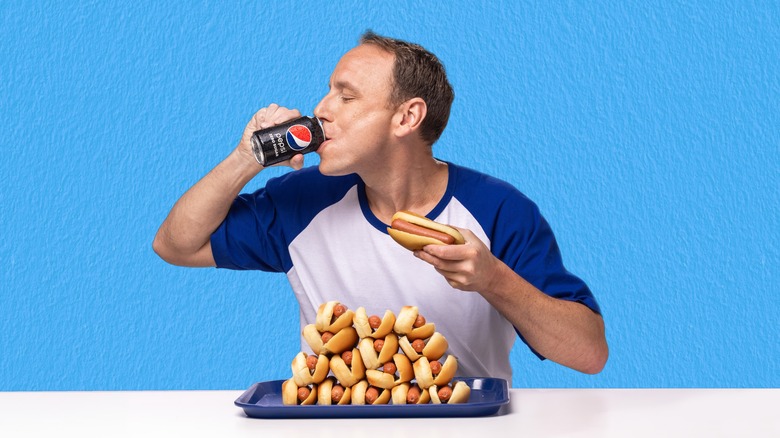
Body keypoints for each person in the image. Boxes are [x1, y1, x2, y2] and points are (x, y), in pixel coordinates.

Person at [153, 31, 608, 383]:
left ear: (407, 117)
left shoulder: (498, 208)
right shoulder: (301, 200)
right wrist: (247, 157)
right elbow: (175, 246)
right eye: (328, 91)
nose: (320, 109)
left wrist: (493, 279)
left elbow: (588, 354)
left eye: (346, 97)